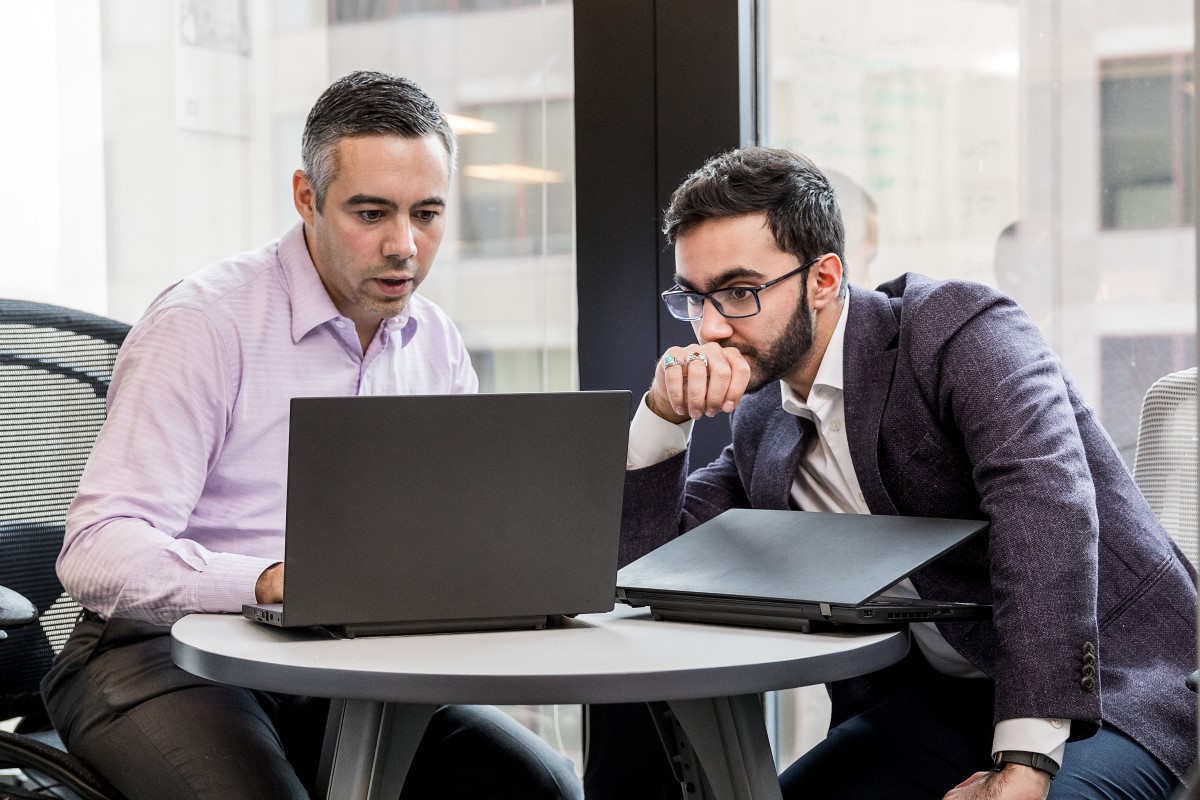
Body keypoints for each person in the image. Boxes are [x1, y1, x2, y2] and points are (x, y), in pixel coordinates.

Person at [42, 71, 582, 800]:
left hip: (349, 659)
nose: (404, 246)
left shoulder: (435, 341)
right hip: (161, 656)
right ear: (306, 197)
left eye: (427, 213)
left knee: (541, 787)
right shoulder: (205, 322)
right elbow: (98, 548)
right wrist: (264, 582)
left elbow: (444, 532)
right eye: (371, 212)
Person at [619, 146, 1196, 799]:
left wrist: (1026, 761)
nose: (712, 327)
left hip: (1111, 695)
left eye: (740, 292)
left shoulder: (958, 332)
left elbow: (1047, 512)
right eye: (693, 299)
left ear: (824, 279)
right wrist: (662, 416)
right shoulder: (765, 418)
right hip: (939, 704)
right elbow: (649, 568)